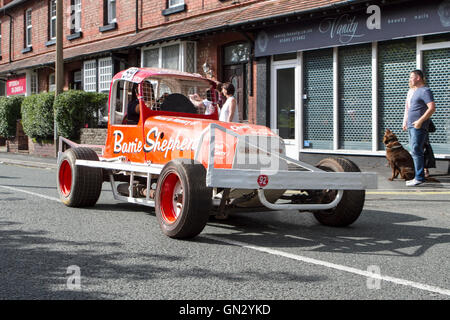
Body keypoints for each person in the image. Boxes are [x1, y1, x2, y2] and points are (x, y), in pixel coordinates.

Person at [403, 69, 436, 187]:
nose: (410, 79)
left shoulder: (425, 91)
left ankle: (419, 177)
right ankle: (418, 176)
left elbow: (432, 108)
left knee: (417, 151)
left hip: (418, 126)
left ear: (418, 78)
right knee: (415, 151)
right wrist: (406, 121)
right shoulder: (415, 91)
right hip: (412, 126)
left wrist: (420, 121)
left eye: (411, 77)